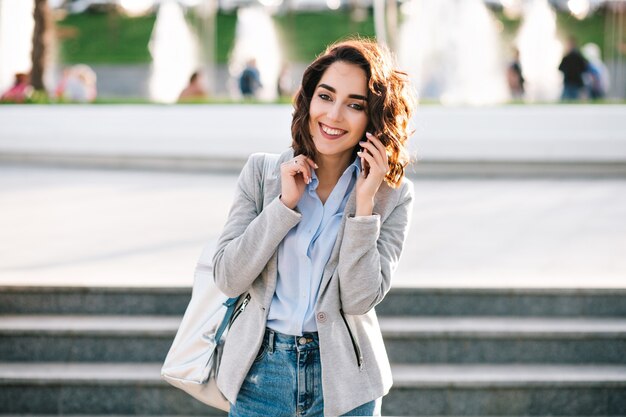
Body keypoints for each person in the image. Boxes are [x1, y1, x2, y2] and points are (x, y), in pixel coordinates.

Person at [212, 39, 416, 417]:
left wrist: (364, 206)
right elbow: (227, 276)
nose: (335, 115)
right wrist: (283, 206)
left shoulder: (391, 196)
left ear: (374, 117)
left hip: (344, 383)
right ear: (309, 100)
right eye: (326, 96)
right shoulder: (262, 173)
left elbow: (358, 299)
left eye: (354, 104)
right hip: (259, 377)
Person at [558, 36, 589, 100]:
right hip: (575, 82)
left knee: (566, 101)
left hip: (570, 82)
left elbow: (560, 68)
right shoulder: (579, 57)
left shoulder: (567, 57)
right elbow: (585, 68)